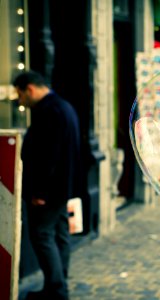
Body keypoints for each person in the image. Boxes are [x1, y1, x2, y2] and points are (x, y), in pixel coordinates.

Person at [14, 71, 82, 300]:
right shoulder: (64, 106)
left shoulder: (50, 110)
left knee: (42, 235)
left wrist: (40, 191)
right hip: (63, 187)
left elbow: (49, 156)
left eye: (20, 95)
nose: (20, 101)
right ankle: (58, 284)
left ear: (30, 89)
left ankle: (56, 290)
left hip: (49, 190)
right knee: (59, 235)